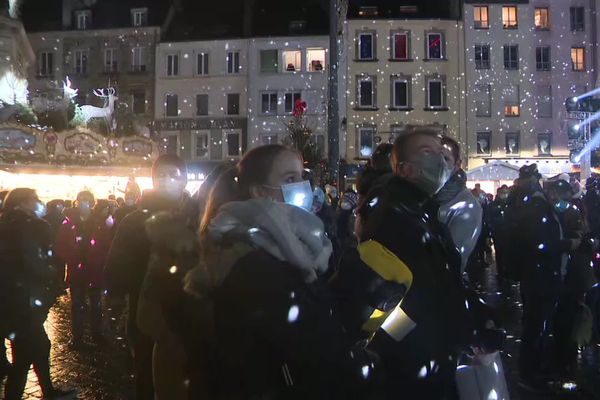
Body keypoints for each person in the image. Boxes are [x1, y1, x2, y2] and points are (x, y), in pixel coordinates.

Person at [178, 144, 378, 398]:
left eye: (302, 177)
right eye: (290, 179)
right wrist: (369, 363)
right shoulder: (254, 262)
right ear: (261, 192)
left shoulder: (295, 249)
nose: (302, 187)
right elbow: (315, 350)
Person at [332, 130, 498, 399]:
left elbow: (446, 280)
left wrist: (478, 320)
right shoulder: (394, 216)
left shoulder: (422, 212)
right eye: (427, 152)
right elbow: (405, 297)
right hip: (411, 367)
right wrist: (411, 336)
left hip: (429, 356)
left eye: (442, 153)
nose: (440, 160)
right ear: (405, 169)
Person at [105, 154, 191, 400]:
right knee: (147, 376)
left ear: (184, 179)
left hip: (190, 312)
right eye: (160, 175)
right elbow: (117, 265)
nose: (166, 180)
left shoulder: (197, 216)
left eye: (173, 174)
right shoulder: (135, 220)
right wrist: (119, 296)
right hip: (147, 312)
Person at [506, 164, 580, 392]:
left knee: (537, 324)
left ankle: (534, 368)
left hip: (541, 276)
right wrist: (568, 244)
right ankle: (530, 373)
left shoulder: (540, 208)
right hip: (540, 277)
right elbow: (539, 245)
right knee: (535, 325)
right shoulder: (538, 210)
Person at [0, 188, 74, 399]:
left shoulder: (6, 224)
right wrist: (50, 272)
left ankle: (48, 390)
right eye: (34, 199)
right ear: (22, 203)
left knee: (39, 346)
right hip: (24, 300)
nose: (38, 202)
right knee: (25, 354)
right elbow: (34, 262)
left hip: (11, 298)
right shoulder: (27, 227)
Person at [55, 193, 113, 346]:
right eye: (81, 201)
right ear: (76, 202)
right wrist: (71, 257)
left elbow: (106, 244)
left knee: (96, 303)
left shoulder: (99, 222)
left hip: (94, 269)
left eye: (87, 201)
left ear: (92, 203)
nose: (84, 204)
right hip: (76, 270)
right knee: (77, 304)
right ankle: (78, 337)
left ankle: (97, 334)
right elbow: (61, 245)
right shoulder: (68, 222)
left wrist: (100, 259)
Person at [433, 136, 482, 274]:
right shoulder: (422, 194)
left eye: (445, 159)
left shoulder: (467, 205)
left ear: (457, 165)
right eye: (433, 158)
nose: (438, 164)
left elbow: (454, 260)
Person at [487, 185, 511, 283]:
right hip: (498, 232)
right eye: (503, 193)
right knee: (500, 253)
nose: (504, 195)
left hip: (509, 233)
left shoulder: (510, 204)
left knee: (508, 254)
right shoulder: (493, 205)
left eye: (506, 193)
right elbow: (489, 217)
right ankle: (501, 273)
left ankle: (508, 273)